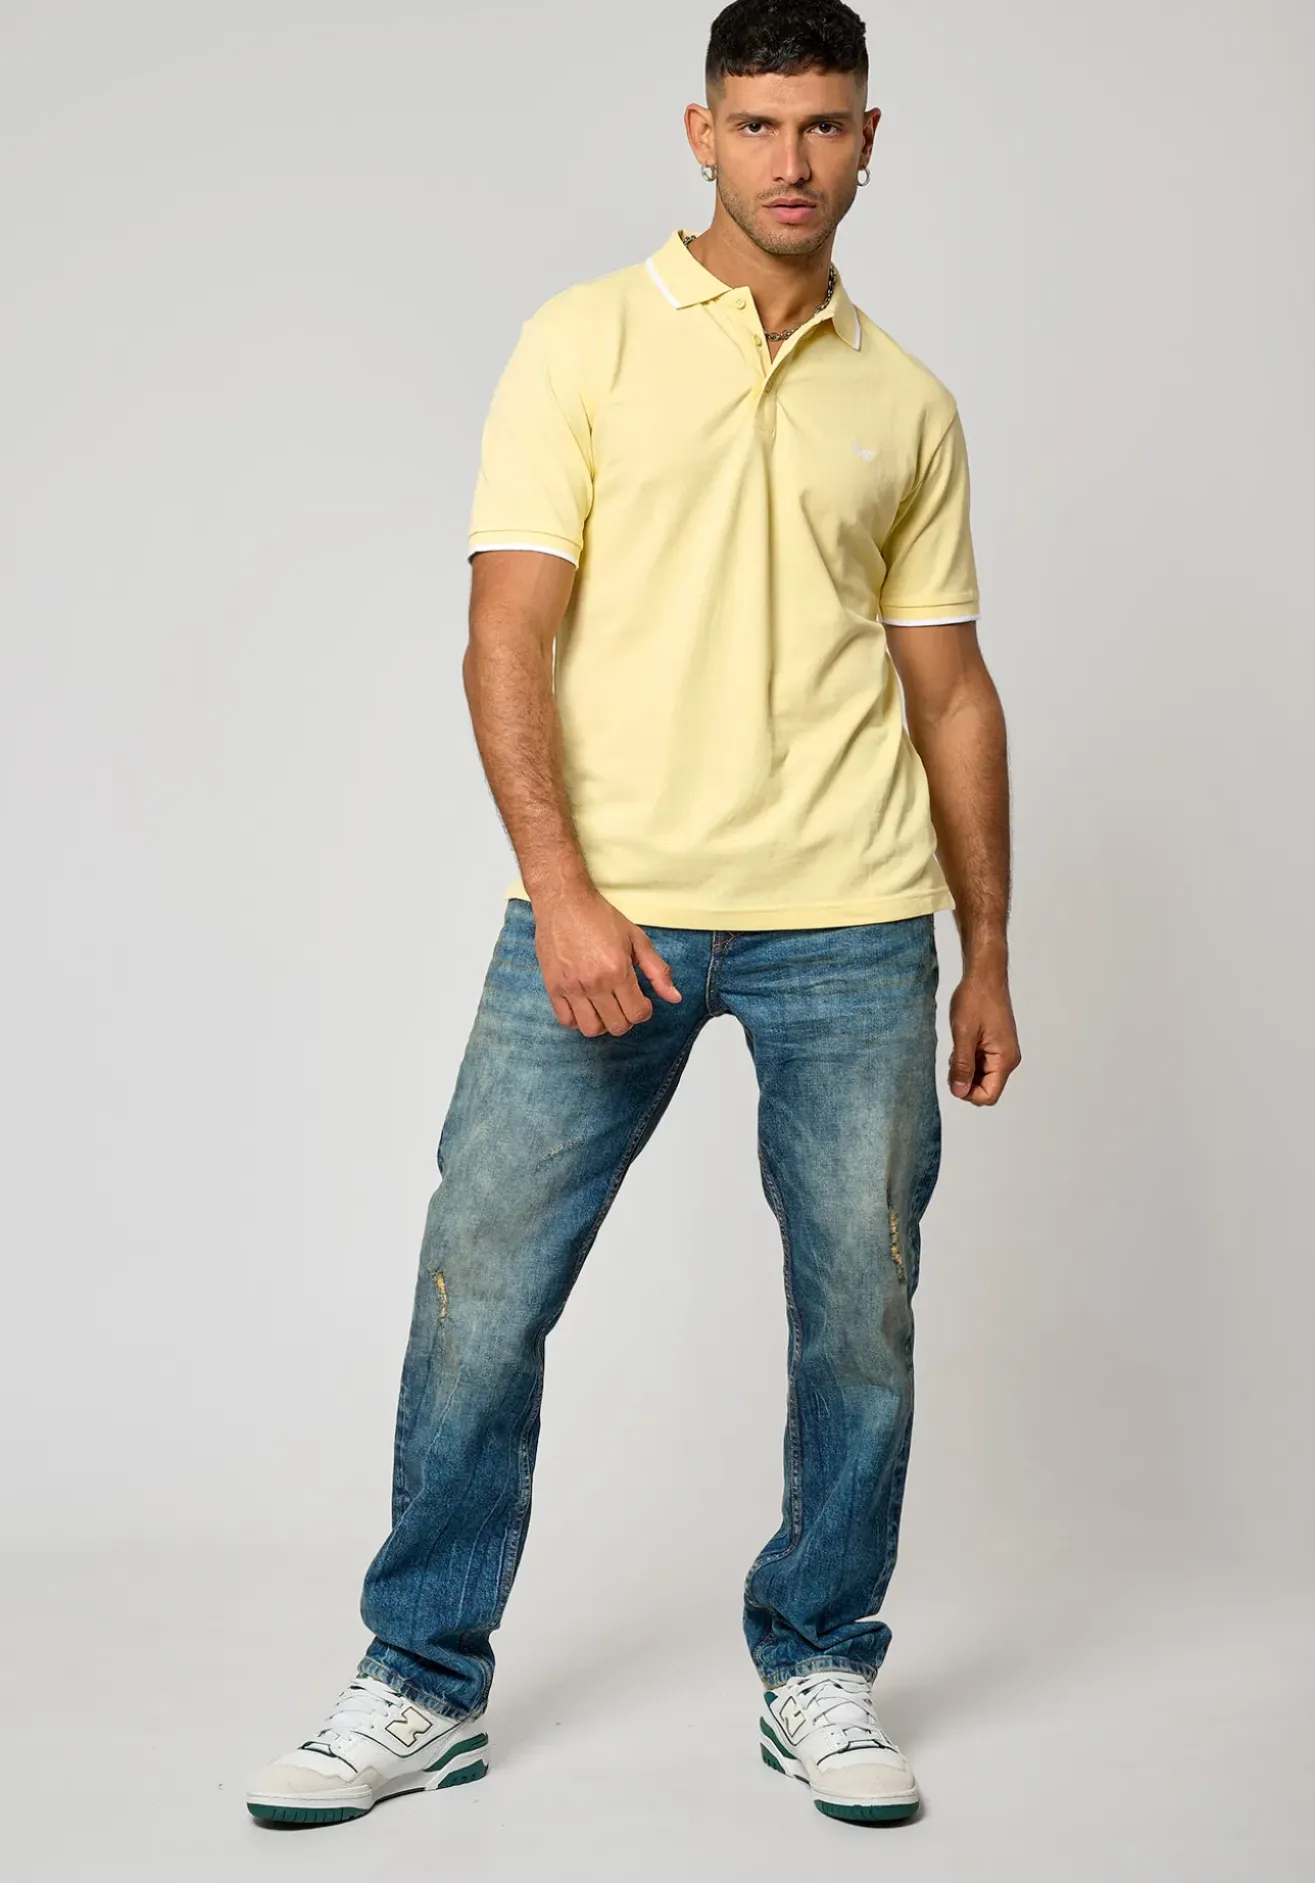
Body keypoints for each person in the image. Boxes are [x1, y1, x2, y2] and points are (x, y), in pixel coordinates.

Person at [246, 0, 1020, 1832]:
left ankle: (817, 1658)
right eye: (756, 124)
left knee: (858, 1314)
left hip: (852, 921)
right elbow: (502, 634)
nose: (788, 161)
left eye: (821, 125)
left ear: (869, 138)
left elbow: (951, 693)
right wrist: (565, 893)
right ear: (699, 132)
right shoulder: (580, 341)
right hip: (607, 919)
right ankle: (420, 1677)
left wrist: (988, 948)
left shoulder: (904, 400)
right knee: (479, 1290)